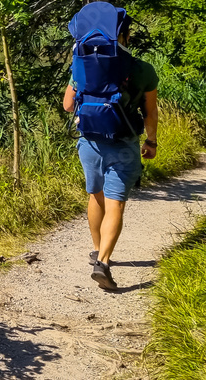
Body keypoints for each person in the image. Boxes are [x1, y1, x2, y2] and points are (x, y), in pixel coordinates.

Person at [62, 16, 158, 290]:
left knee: (96, 194)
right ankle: (103, 262)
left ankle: (96, 249)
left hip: (89, 143)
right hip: (124, 144)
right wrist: (151, 142)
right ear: (124, 37)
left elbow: (68, 105)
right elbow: (150, 112)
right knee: (115, 202)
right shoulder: (143, 70)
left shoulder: (81, 66)